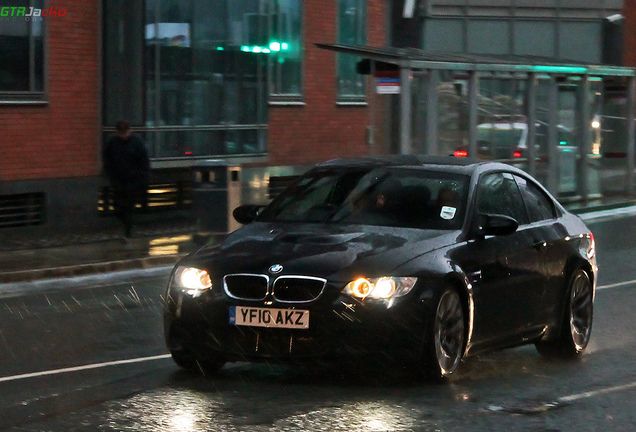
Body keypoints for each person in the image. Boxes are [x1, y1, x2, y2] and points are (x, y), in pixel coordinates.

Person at [102, 120, 150, 240]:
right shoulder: (113, 143)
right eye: (121, 133)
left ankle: (128, 233)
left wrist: (143, 179)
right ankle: (127, 227)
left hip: (133, 181)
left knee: (128, 207)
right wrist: (110, 175)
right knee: (118, 207)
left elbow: (144, 162)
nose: (124, 135)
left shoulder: (137, 143)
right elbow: (107, 160)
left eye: (125, 132)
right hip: (119, 181)